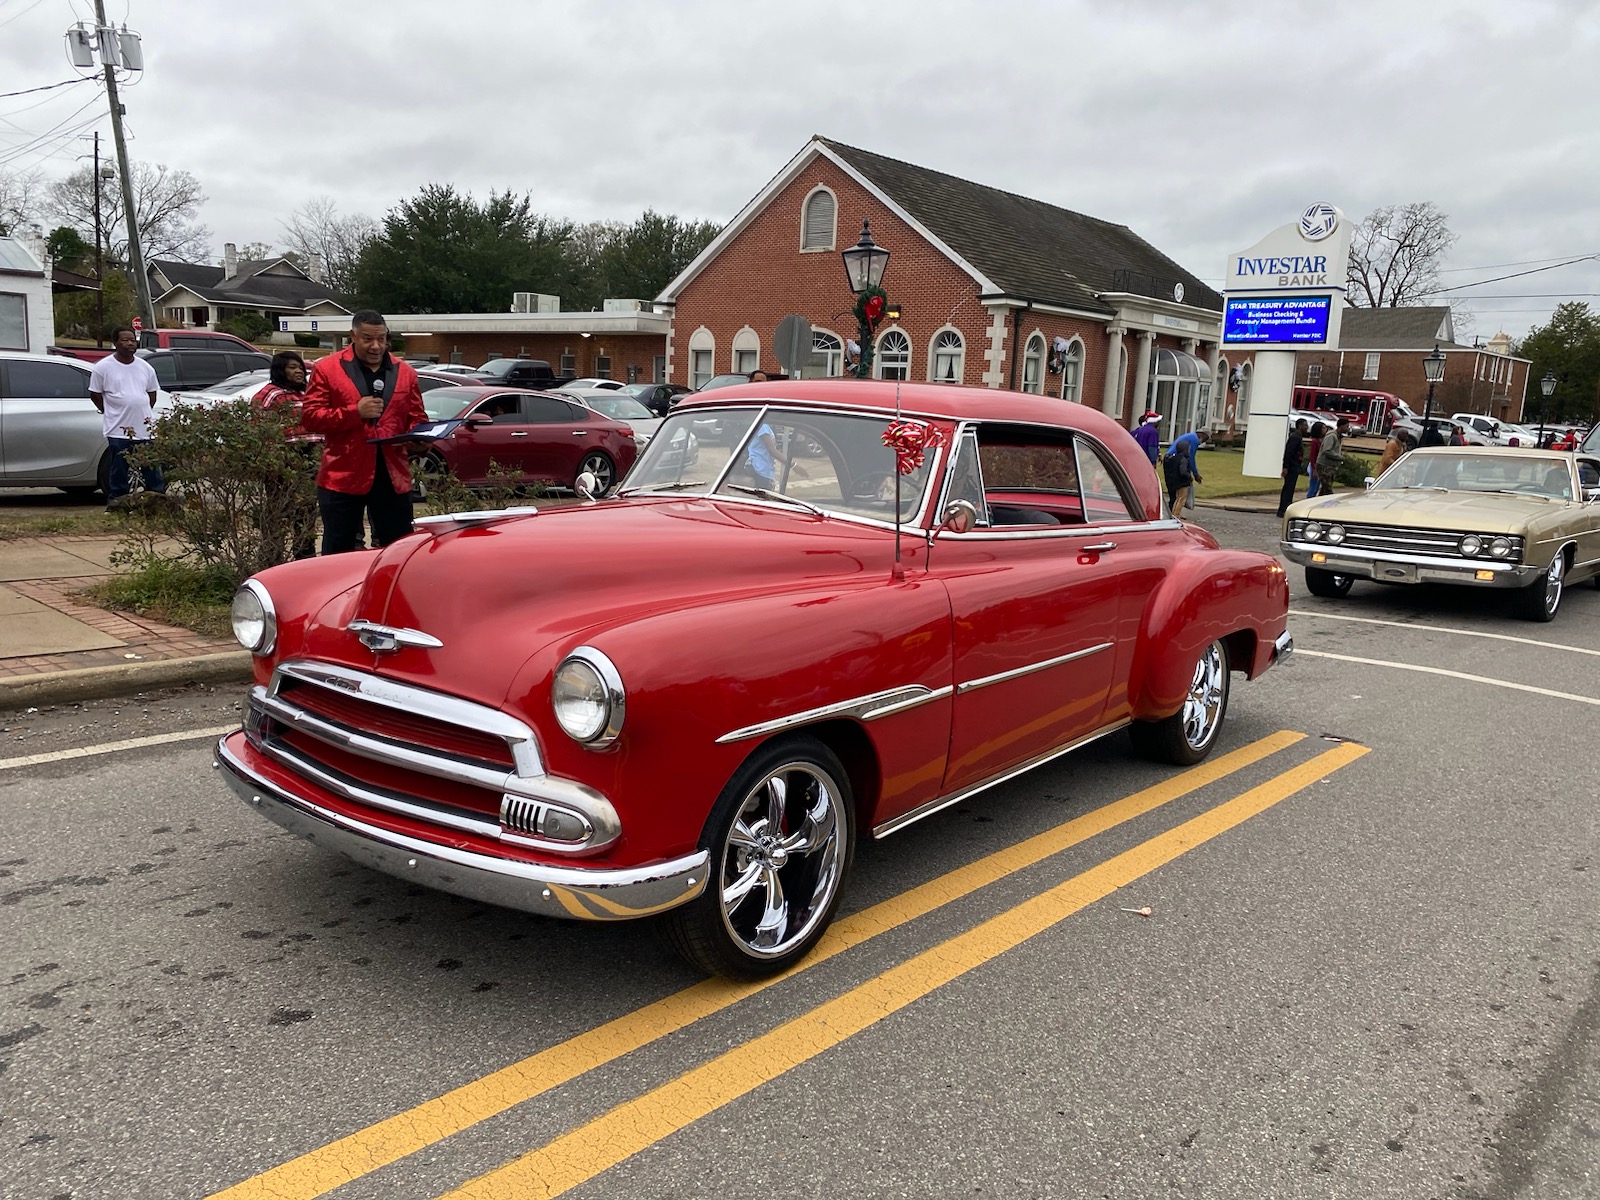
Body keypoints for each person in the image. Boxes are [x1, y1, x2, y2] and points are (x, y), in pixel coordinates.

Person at [300, 310, 428, 554]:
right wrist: (353, 412)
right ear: (353, 336)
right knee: (338, 551)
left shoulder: (406, 372)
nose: (376, 346)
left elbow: (416, 418)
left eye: (382, 339)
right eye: (368, 339)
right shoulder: (327, 369)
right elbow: (310, 418)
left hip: (392, 475)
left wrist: (420, 438)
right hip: (342, 475)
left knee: (399, 551)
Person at [88, 325, 165, 511]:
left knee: (151, 467)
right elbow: (95, 394)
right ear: (115, 343)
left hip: (144, 429)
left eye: (132, 339)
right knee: (119, 469)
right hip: (118, 429)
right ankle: (117, 504)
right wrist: (111, 411)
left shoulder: (145, 367)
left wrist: (140, 409)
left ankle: (156, 502)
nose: (130, 343)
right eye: (125, 340)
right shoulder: (103, 367)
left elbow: (151, 394)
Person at [254, 351, 320, 560]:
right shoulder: (272, 393)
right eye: (292, 367)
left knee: (306, 508)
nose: (299, 371)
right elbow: (257, 425)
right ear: (280, 370)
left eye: (300, 367)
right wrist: (274, 457)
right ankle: (273, 556)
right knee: (279, 509)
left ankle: (304, 555)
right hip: (285, 457)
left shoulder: (308, 392)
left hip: (313, 454)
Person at [1162, 428, 1206, 514]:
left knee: (1172, 487)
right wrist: (1195, 474)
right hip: (1176, 461)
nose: (1204, 441)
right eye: (1206, 438)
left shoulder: (1190, 436)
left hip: (1168, 459)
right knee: (1180, 493)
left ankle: (1172, 511)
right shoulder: (1194, 439)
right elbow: (1190, 458)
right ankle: (1175, 514)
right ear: (1202, 434)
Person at [1277, 418, 1308, 517]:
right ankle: (1283, 509)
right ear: (1300, 425)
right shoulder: (1295, 437)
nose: (1307, 427)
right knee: (1288, 488)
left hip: (1295, 466)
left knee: (1290, 489)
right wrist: (1285, 466)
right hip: (1292, 467)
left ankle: (1285, 508)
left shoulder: (1298, 436)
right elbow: (1289, 452)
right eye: (1305, 425)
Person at [745, 418, 785, 490]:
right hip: (760, 468)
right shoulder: (763, 426)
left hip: (764, 468)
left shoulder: (766, 427)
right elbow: (772, 450)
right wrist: (792, 465)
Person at [1315, 419, 1349, 496]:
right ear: (1341, 426)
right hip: (1324, 466)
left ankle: (1319, 506)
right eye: (1346, 426)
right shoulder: (1332, 436)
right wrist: (1340, 457)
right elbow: (1326, 450)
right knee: (1328, 490)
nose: (1347, 428)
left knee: (1324, 491)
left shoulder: (1338, 437)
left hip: (1330, 467)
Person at [1305, 422, 1327, 497]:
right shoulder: (1315, 441)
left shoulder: (1322, 441)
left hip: (1320, 466)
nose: (1325, 430)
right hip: (1314, 466)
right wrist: (1314, 468)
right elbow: (1312, 456)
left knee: (1316, 486)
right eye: (1323, 428)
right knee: (1313, 486)